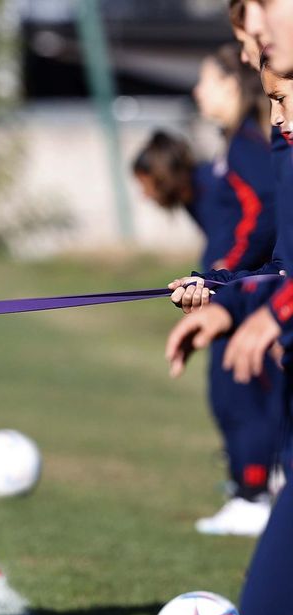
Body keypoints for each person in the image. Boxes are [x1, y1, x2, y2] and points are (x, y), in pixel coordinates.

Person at [165, 48, 293, 615]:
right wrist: (219, 293)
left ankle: (250, 490)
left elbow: (258, 237)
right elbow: (277, 260)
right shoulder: (264, 143)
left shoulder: (254, 148)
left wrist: (250, 299)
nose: (276, 117)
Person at [135, 45, 279, 537]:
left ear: (232, 85)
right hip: (243, 289)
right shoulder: (233, 146)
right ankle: (254, 485)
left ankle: (254, 492)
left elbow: (262, 216)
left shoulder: (246, 146)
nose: (197, 90)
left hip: (252, 293)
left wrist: (220, 277)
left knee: (238, 388)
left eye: (205, 80)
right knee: (237, 390)